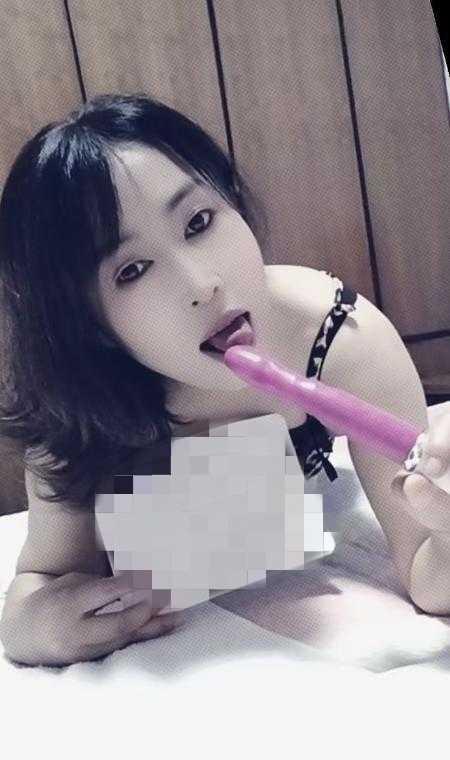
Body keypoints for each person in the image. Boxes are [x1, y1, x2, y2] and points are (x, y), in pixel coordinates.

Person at [0, 93, 449, 667]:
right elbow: (35, 590)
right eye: (132, 270)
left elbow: (428, 573)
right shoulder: (75, 404)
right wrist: (45, 628)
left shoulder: (337, 337)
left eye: (199, 222)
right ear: (89, 325)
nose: (201, 284)